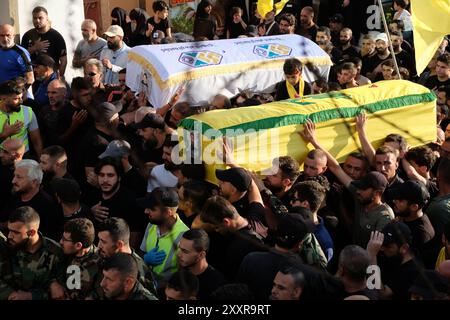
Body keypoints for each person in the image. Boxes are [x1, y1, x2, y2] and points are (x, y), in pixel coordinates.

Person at [300, 119, 394, 248]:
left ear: (376, 193)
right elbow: (336, 167)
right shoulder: (360, 194)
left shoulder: (385, 216)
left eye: (357, 169)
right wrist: (313, 141)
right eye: (348, 167)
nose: (359, 191)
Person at [0, 206, 64, 300]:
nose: (9, 236)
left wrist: (30, 296)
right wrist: (10, 294)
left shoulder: (56, 252)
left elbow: (63, 291)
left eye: (16, 232)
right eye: (9, 230)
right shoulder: (7, 247)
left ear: (32, 232)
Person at [200, 195, 264, 281]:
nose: (216, 231)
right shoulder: (256, 218)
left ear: (226, 222)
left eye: (216, 227)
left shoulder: (237, 249)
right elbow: (256, 199)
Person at [138, 187, 189, 288]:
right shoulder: (151, 225)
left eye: (152, 209)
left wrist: (159, 285)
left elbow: (185, 276)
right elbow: (141, 252)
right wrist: (144, 259)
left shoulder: (185, 236)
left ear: (168, 212)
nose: (146, 211)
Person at [90, 157, 145, 247]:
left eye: (110, 175)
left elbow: (134, 237)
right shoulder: (93, 195)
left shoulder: (130, 201)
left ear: (119, 177)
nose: (105, 180)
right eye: (101, 175)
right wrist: (90, 212)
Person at [96, 217, 157, 295]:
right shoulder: (105, 256)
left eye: (103, 242)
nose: (99, 246)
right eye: (99, 240)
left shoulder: (139, 272)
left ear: (119, 244)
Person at [7, 159, 61, 240]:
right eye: (14, 176)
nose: (13, 181)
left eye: (19, 177)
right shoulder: (14, 196)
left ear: (34, 182)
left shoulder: (47, 205)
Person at [367, 222, 422, 300]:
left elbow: (380, 294)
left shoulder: (413, 271)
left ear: (404, 248)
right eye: (382, 244)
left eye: (387, 246)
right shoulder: (391, 256)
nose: (381, 248)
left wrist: (372, 257)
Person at [55, 218, 100, 300]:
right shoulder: (61, 253)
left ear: (78, 245)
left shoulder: (100, 262)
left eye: (65, 240)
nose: (60, 242)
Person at [291, 181, 334, 261]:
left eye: (294, 200)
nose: (291, 203)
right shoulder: (295, 223)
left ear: (305, 204)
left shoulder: (323, 241)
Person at [177, 229, 226, 300]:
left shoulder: (217, 284)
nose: (179, 254)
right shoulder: (182, 270)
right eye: (180, 249)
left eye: (185, 251)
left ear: (201, 255)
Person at [21, 6, 67, 78]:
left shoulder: (56, 36)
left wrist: (59, 78)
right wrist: (34, 48)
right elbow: (21, 56)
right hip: (34, 77)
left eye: (40, 18)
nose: (37, 20)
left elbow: (63, 61)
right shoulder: (28, 35)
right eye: (35, 18)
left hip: (51, 77)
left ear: (47, 18)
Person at [391, 180, 435, 254]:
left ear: (414, 207)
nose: (394, 201)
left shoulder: (421, 234)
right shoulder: (405, 217)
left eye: (400, 200)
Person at [0, 80, 42, 156]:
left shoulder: (28, 111)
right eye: (16, 99)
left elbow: (36, 141)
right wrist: (4, 134)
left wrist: (41, 160)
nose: (21, 101)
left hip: (23, 158)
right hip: (2, 158)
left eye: (21, 97)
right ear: (3, 99)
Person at [37, 79, 67, 146]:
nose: (50, 96)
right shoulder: (43, 111)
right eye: (48, 92)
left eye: (54, 92)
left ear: (64, 93)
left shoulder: (71, 109)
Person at [0, 139, 25, 215]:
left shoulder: (26, 174)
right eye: (1, 150)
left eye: (5, 152)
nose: (0, 154)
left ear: (17, 155)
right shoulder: (1, 162)